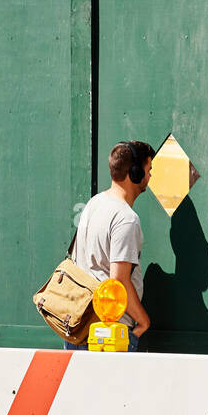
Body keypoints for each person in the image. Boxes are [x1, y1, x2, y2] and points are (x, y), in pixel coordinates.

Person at [65, 140, 155, 352]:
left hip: (80, 325)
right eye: (148, 169)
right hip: (110, 335)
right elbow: (119, 280)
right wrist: (143, 322)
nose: (150, 176)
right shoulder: (126, 218)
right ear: (135, 173)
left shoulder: (94, 203)